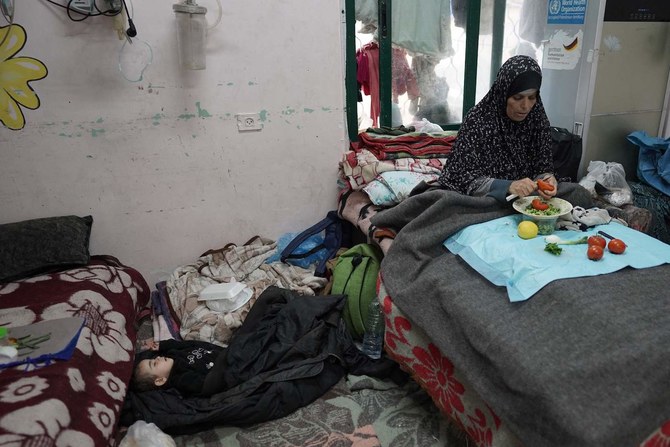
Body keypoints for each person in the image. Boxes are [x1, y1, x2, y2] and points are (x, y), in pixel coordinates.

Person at [437, 55, 558, 202]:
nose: (526, 106)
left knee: (576, 191)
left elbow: (542, 167)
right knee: (445, 203)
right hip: (488, 198)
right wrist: (507, 186)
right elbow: (460, 178)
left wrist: (547, 179)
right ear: (503, 94)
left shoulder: (537, 118)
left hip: (528, 198)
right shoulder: (478, 121)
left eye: (532, 97)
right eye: (518, 98)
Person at [131, 339, 225, 396]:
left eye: (154, 358)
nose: (158, 358)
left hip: (222, 350)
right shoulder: (181, 379)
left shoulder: (172, 354)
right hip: (228, 361)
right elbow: (212, 383)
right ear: (160, 380)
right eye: (155, 364)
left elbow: (185, 344)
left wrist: (163, 345)